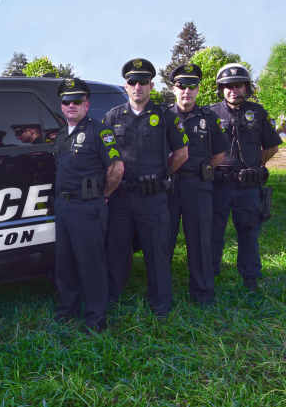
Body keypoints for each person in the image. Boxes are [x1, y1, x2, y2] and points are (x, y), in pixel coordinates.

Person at [102, 58, 189, 318]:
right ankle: (111, 297)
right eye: (132, 82)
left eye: (143, 82)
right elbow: (105, 156)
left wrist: (165, 175)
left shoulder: (165, 116)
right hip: (121, 197)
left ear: (152, 85)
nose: (137, 86)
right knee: (117, 250)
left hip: (153, 198)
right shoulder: (112, 116)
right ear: (125, 86)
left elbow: (182, 153)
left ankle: (160, 305)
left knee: (157, 252)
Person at [52, 78, 124, 332]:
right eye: (66, 101)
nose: (71, 105)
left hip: (87, 206)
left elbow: (116, 168)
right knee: (65, 263)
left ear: (86, 103)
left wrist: (104, 194)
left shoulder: (99, 131)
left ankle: (96, 317)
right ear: (61, 105)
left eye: (77, 101)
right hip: (63, 206)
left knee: (92, 264)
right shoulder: (61, 135)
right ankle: (67, 308)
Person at [209, 63, 282, 290]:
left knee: (249, 231)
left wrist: (254, 166)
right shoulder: (210, 113)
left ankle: (250, 276)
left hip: (247, 186)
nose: (233, 90)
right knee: (213, 231)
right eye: (228, 86)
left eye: (238, 85)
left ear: (246, 87)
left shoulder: (258, 113)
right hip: (218, 185)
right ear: (221, 89)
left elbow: (272, 148)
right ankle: (210, 272)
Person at [166, 64, 230, 305]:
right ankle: (163, 293)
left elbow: (218, 155)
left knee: (200, 239)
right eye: (181, 86)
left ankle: (202, 294)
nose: (186, 91)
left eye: (191, 86)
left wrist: (199, 174)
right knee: (165, 239)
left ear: (198, 89)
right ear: (174, 89)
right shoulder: (162, 117)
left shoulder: (209, 118)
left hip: (197, 186)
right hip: (169, 187)